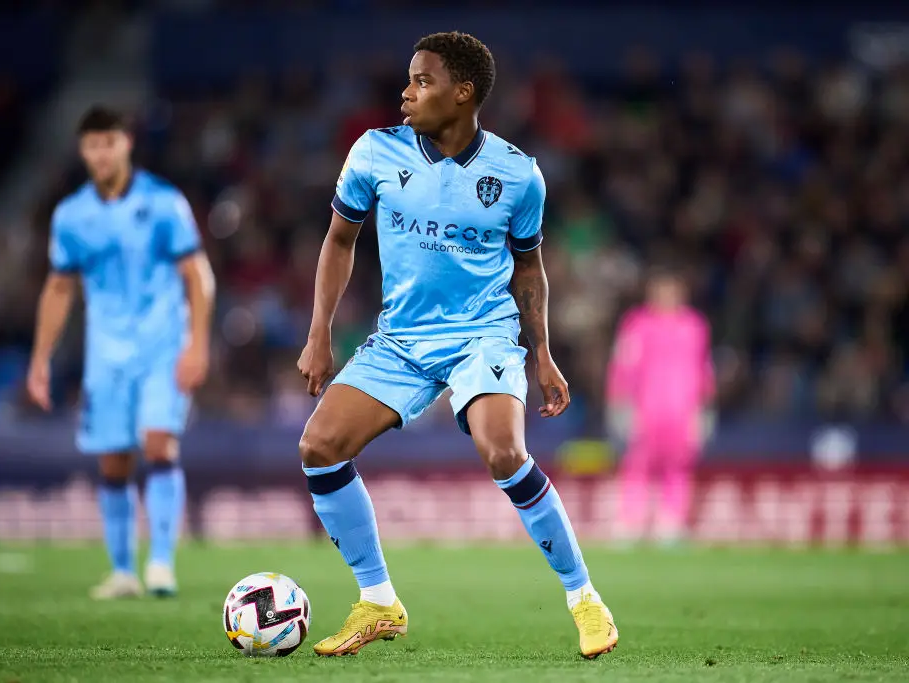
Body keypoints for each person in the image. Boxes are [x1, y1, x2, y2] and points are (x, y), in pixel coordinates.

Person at [297, 32, 618, 658]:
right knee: (319, 447)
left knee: (504, 452)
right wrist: (319, 334)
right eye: (409, 80)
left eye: (422, 81)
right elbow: (339, 241)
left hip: (483, 334)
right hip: (400, 336)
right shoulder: (373, 152)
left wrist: (542, 353)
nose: (406, 92)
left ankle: (585, 600)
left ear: (462, 92)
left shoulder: (518, 174)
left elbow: (529, 269)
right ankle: (379, 601)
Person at [27, 105, 214, 599]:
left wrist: (197, 344)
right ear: (82, 150)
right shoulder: (71, 215)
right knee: (112, 461)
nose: (101, 153)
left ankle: (160, 565)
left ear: (126, 143)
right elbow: (60, 288)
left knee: (157, 444)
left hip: (161, 344)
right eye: (91, 145)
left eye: (108, 142)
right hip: (105, 354)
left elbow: (198, 276)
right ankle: (122, 571)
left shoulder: (164, 202)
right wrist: (40, 358)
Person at [607, 267, 716, 545]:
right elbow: (624, 364)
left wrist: (705, 407)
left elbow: (703, 367)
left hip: (683, 409)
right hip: (646, 407)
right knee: (638, 464)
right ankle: (631, 521)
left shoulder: (695, 325)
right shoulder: (637, 324)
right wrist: (620, 402)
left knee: (679, 465)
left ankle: (671, 521)